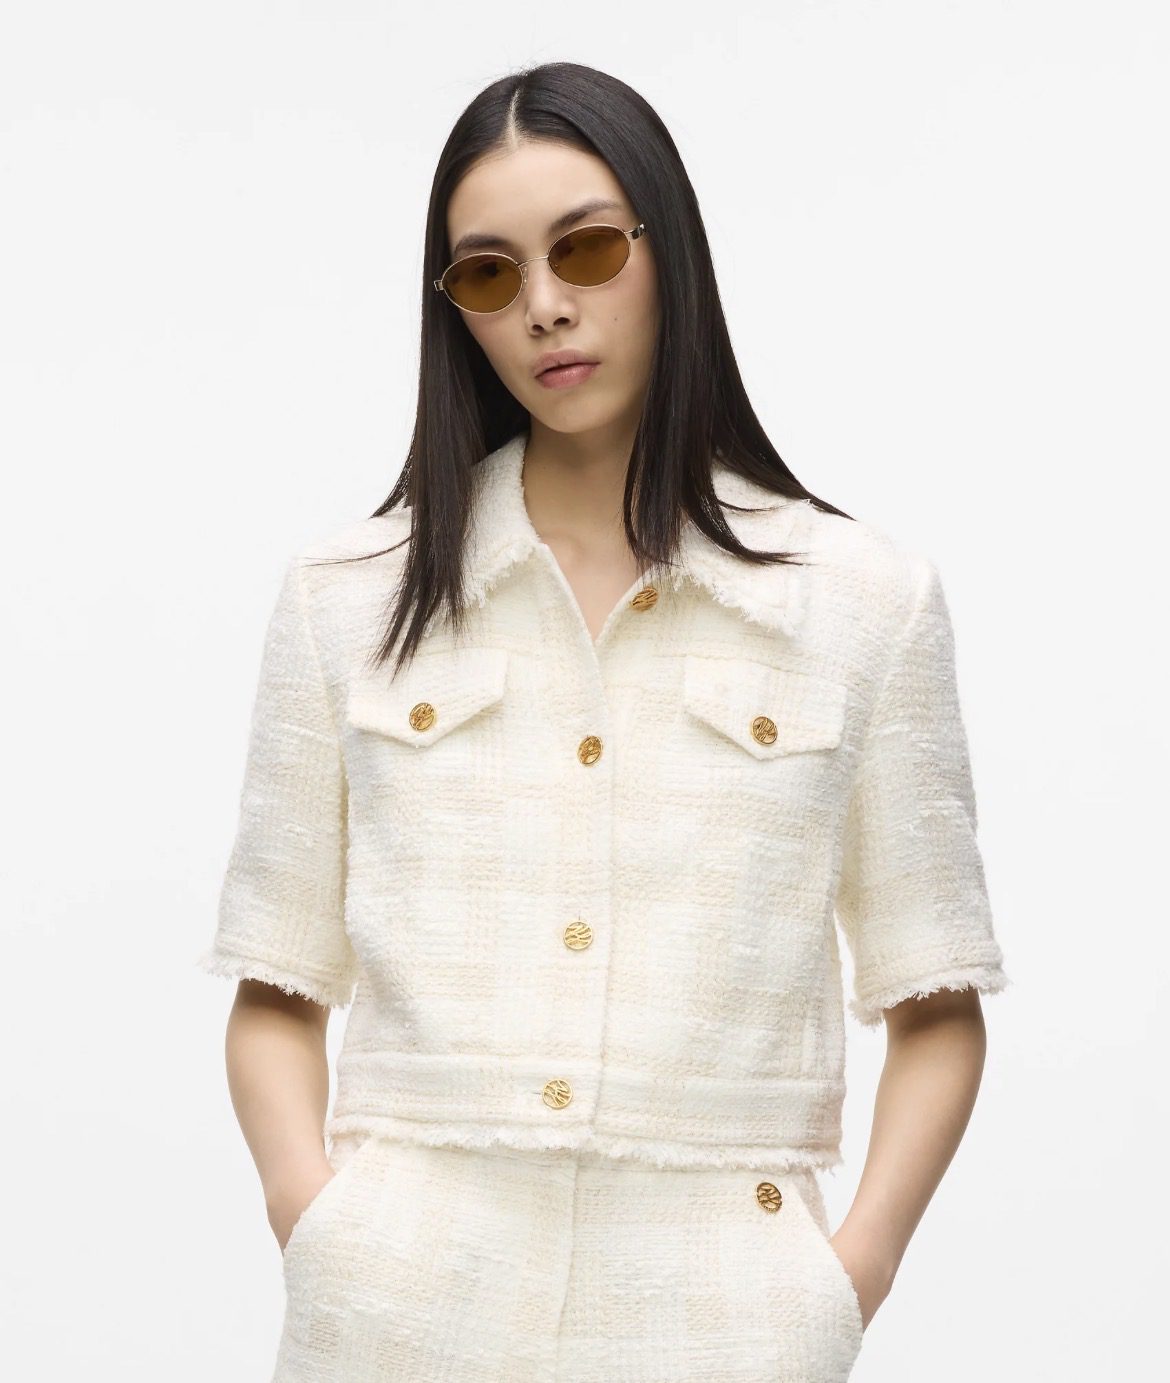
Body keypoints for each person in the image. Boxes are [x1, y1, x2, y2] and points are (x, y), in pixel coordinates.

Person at [198, 59, 1010, 1383]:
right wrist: (321, 1228)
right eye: (489, 274)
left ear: (666, 250)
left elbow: (935, 1002)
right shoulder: (346, 600)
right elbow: (275, 989)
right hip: (398, 1317)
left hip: (723, 1324)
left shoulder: (863, 604)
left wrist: (839, 1284)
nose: (544, 305)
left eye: (583, 248)